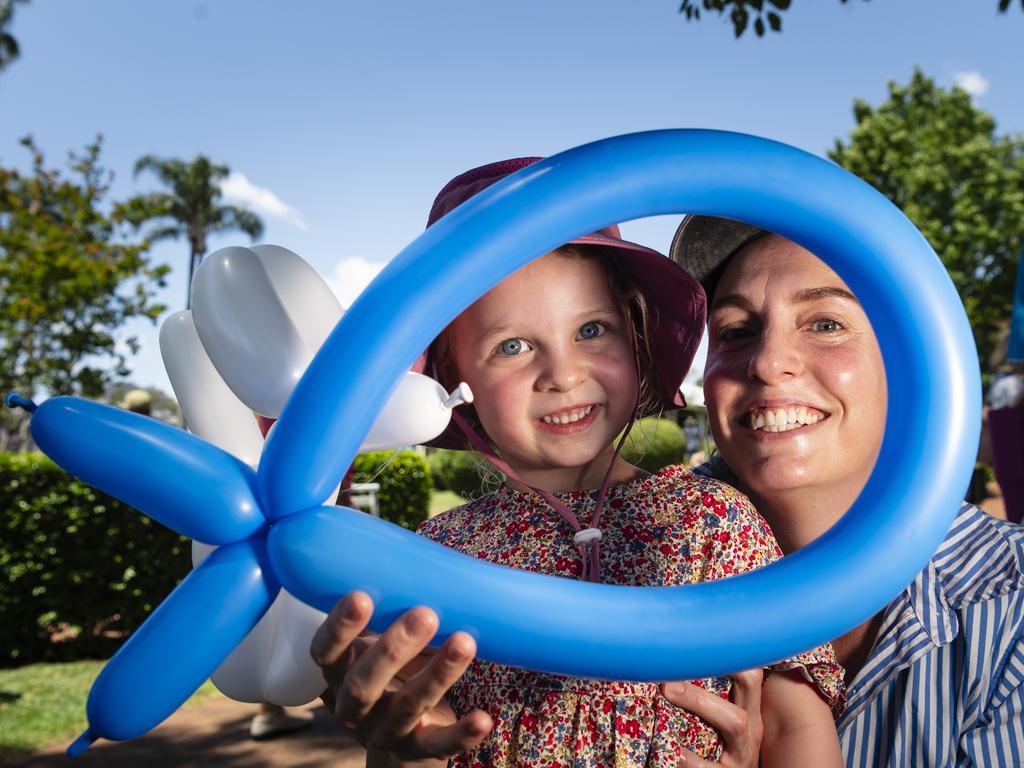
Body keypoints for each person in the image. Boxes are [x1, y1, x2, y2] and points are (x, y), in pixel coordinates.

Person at [311, 159, 845, 768]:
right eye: (511, 346)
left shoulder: (710, 521)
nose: (563, 375)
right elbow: (414, 731)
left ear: (635, 338)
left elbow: (796, 716)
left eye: (592, 330)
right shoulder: (437, 556)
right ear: (456, 377)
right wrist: (403, 745)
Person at [669, 215, 1024, 766]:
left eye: (826, 324)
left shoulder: (1011, 603)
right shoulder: (624, 563)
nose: (766, 362)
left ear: (911, 361)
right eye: (737, 331)